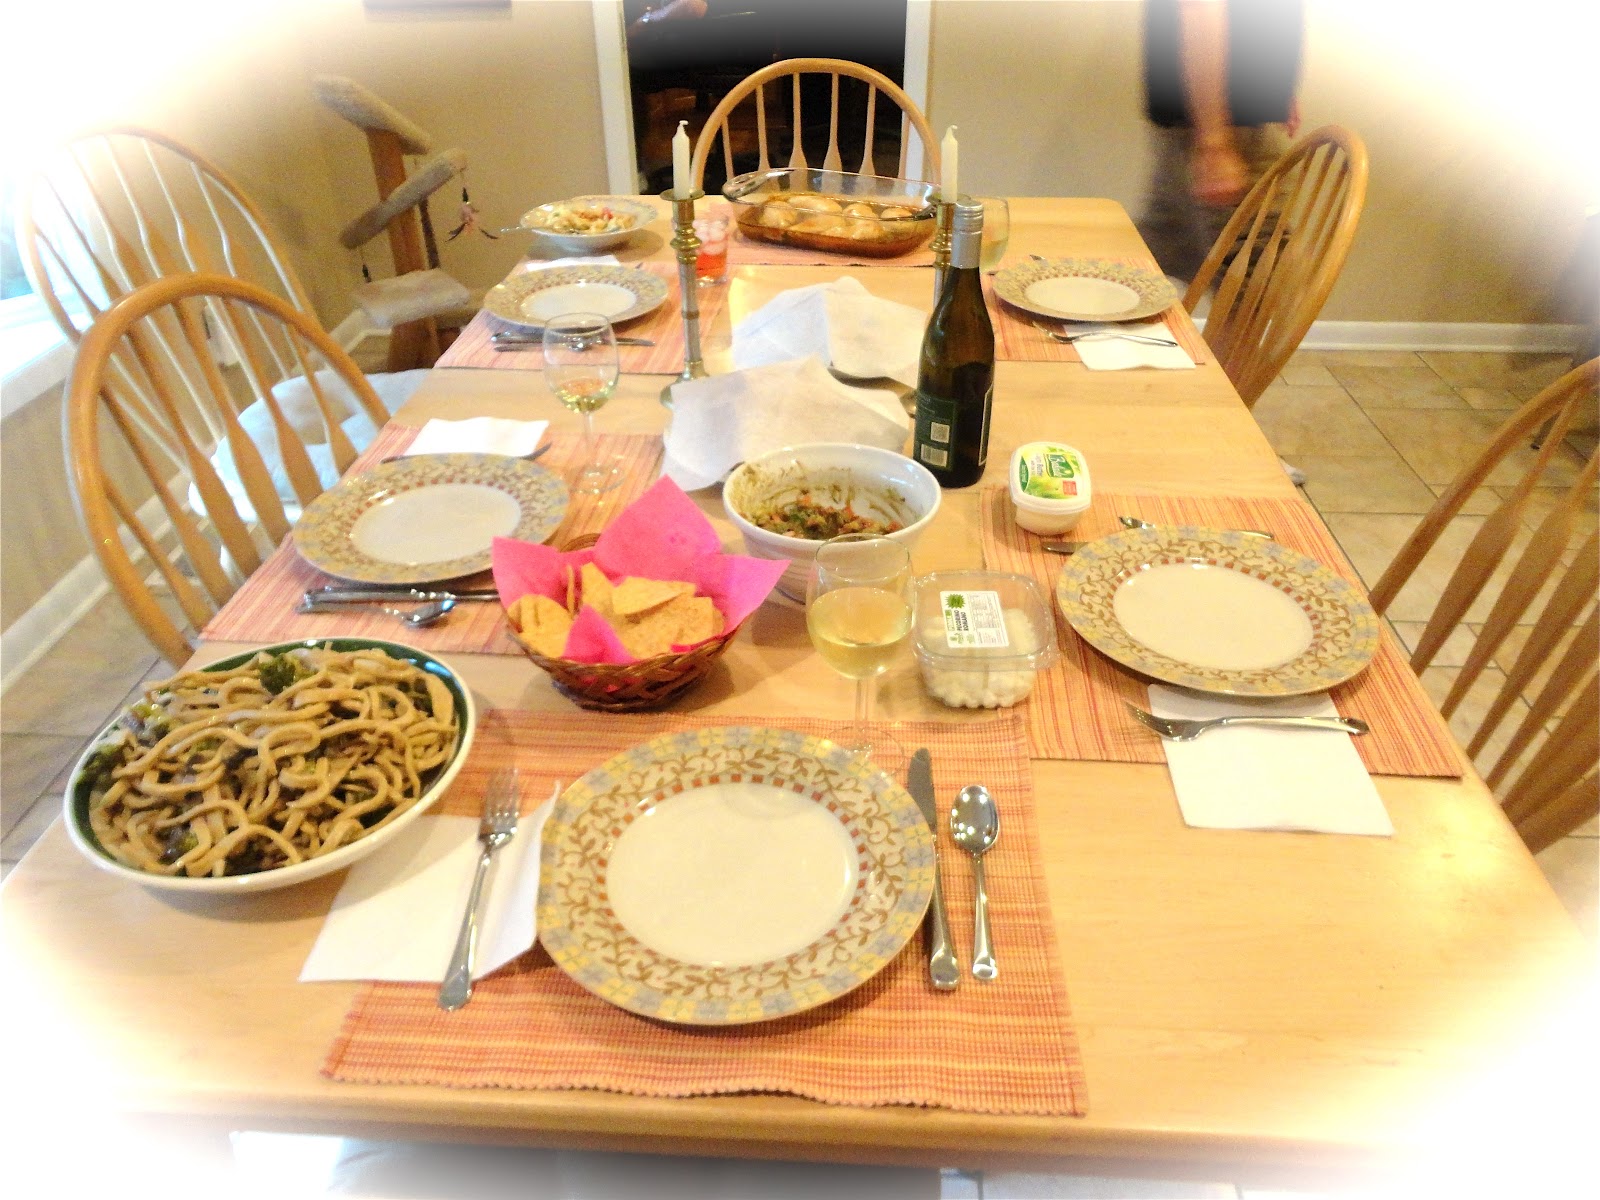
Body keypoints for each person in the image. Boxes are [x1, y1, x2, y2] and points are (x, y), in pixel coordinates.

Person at [1136, 0, 1304, 287]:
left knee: (1154, 260)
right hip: (1223, 129)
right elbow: (1201, 10)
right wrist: (1214, 144)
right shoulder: (1217, 140)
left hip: (1208, 123)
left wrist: (1274, 83)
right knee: (1249, 288)